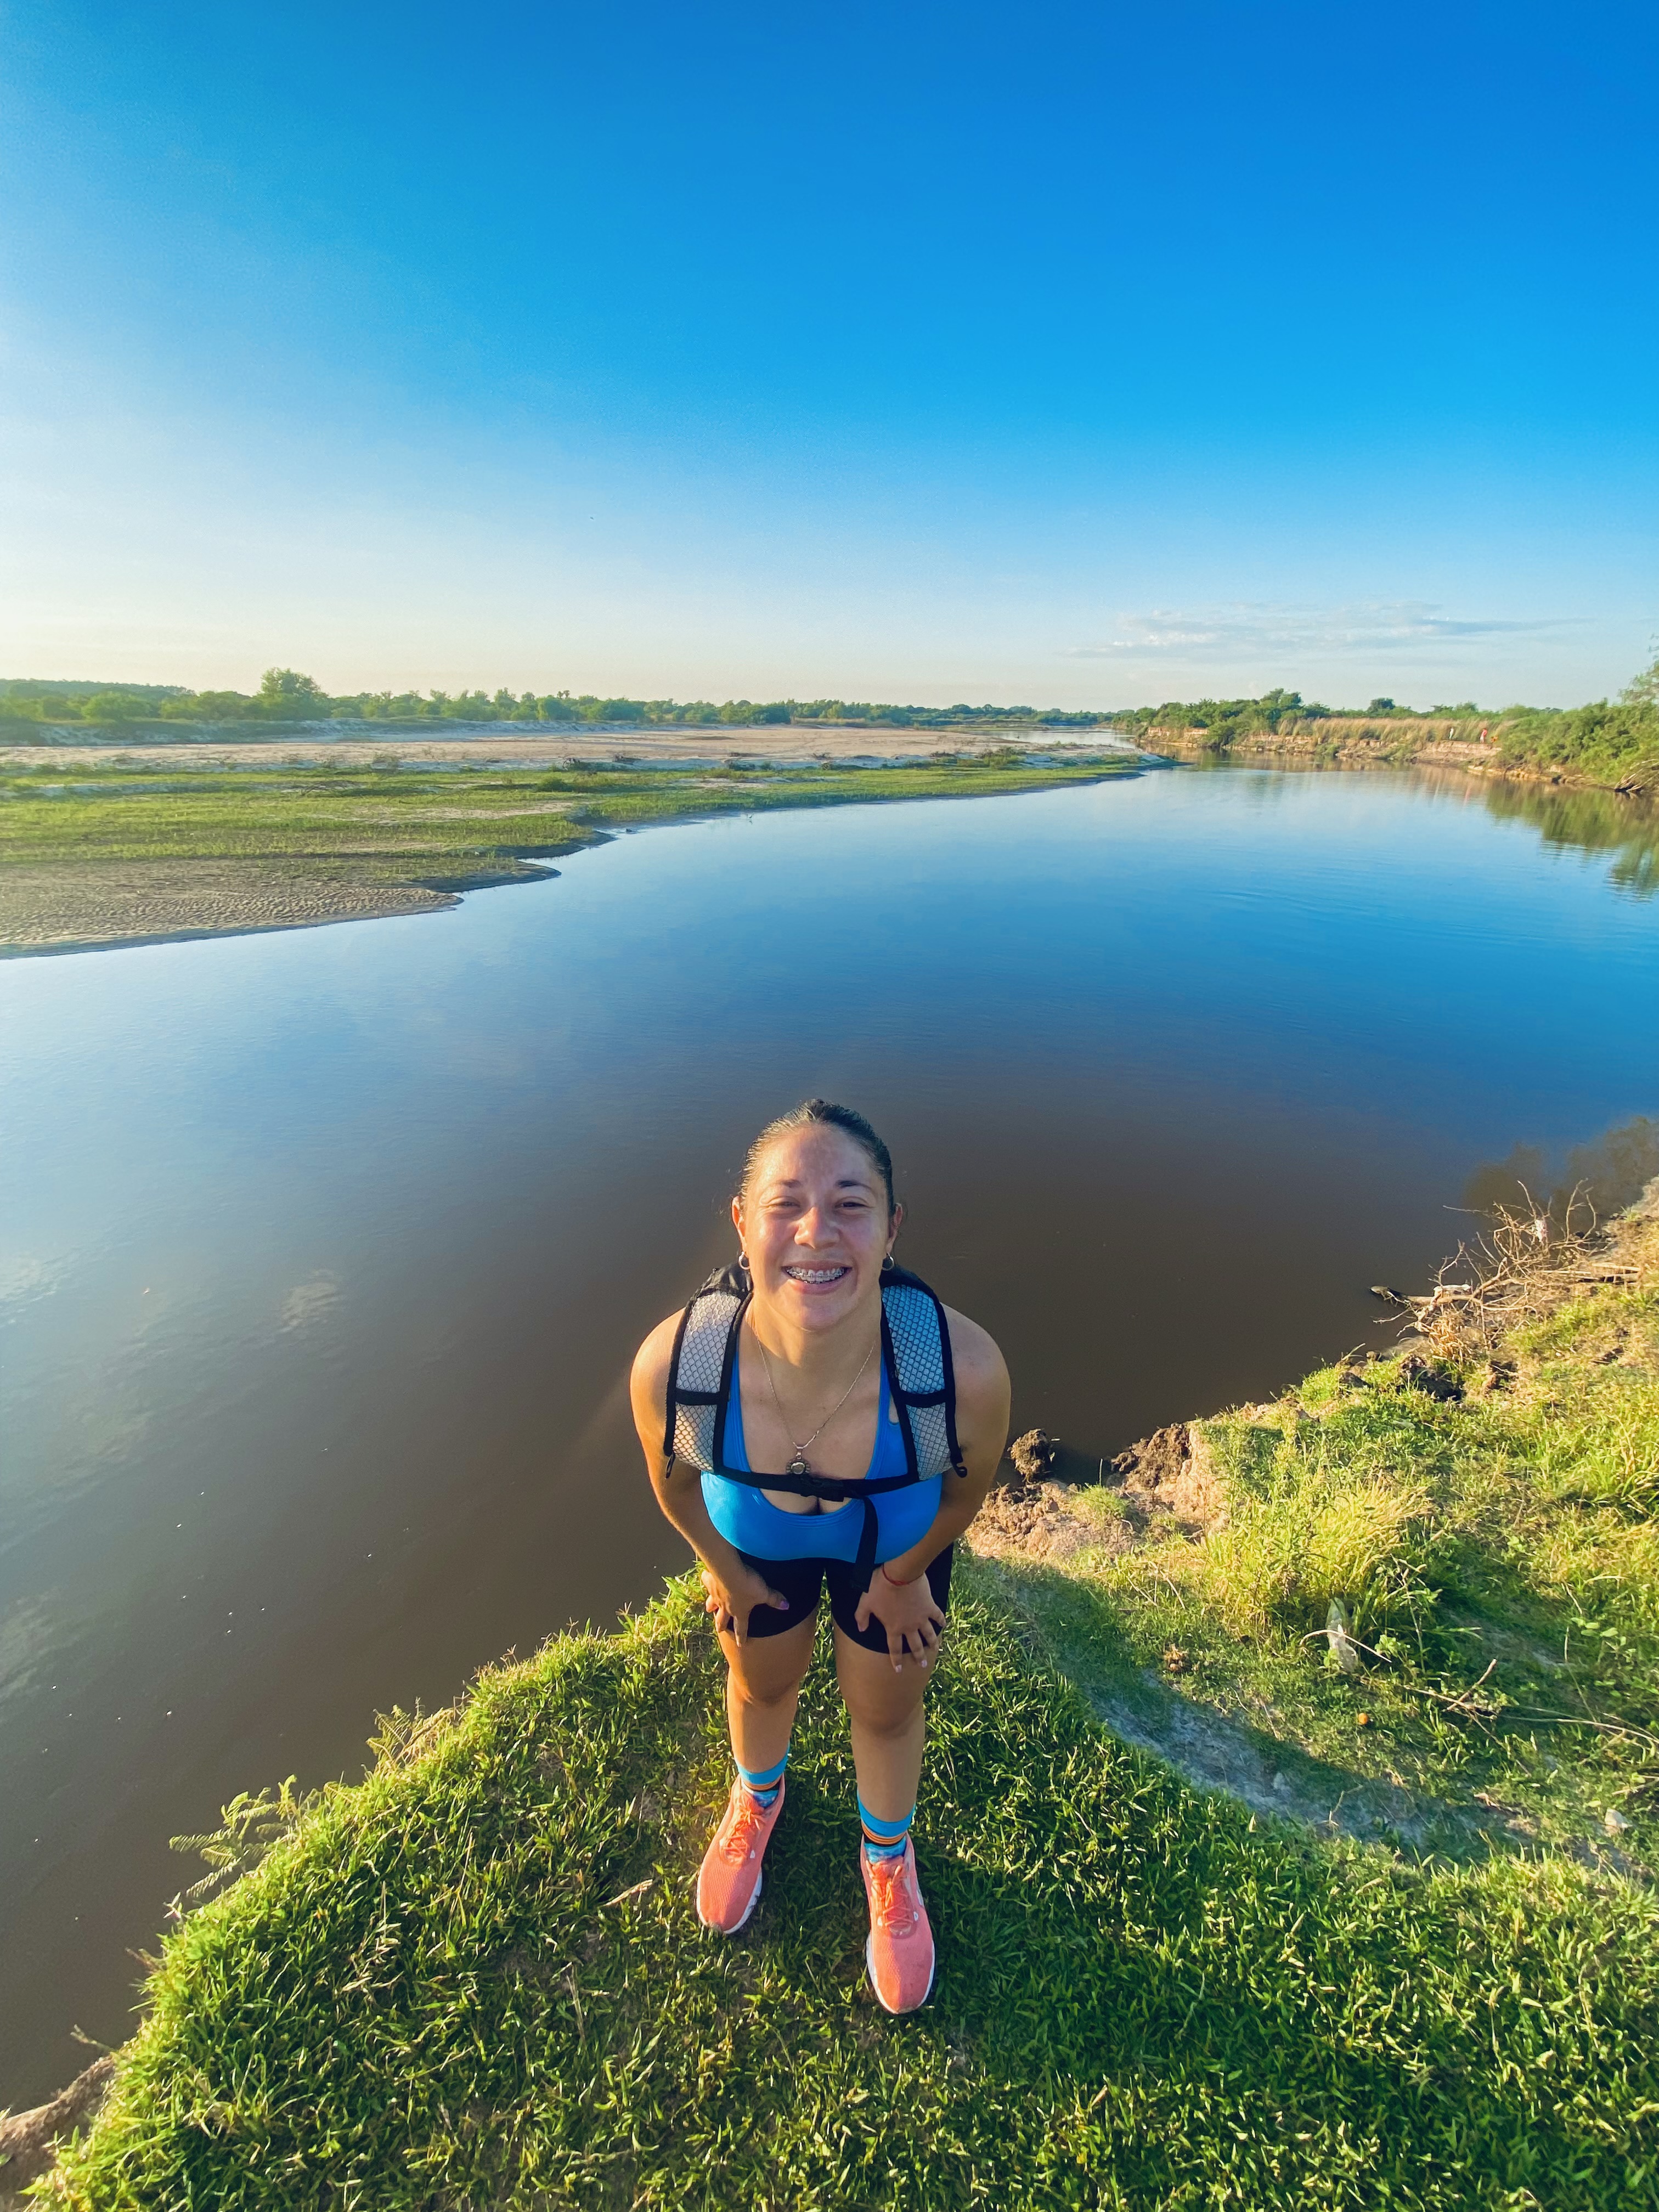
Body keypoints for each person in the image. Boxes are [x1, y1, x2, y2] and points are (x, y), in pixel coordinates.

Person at [630, 1100, 1010, 2014]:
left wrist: (907, 1575)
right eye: (786, 1202)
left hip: (896, 1543)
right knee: (762, 1685)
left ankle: (888, 1858)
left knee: (885, 1711)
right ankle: (756, 1799)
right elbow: (675, 1490)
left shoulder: (960, 1370)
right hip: (757, 1539)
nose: (816, 1232)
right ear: (741, 1223)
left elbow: (964, 1493)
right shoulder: (679, 1365)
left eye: (850, 1203)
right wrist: (724, 1571)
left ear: (891, 1228)